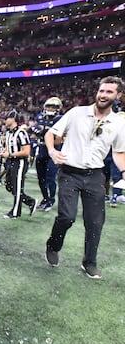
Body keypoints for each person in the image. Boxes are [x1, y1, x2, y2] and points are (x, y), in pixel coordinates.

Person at [44, 76, 125, 279]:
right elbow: (51, 134)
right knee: (67, 217)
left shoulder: (118, 123)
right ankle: (53, 245)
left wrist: (124, 172)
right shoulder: (77, 112)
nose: (103, 95)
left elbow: (118, 152)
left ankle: (89, 262)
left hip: (96, 176)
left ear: (119, 96)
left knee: (95, 222)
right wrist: (52, 151)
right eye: (101, 91)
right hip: (69, 172)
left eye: (109, 92)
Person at [1, 110, 38, 219]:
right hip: (11, 162)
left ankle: (15, 212)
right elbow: (8, 147)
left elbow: (26, 151)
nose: (4, 120)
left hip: (20, 162)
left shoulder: (21, 132)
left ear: (13, 119)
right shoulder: (8, 133)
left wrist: (10, 154)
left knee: (17, 188)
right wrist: (4, 153)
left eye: (6, 118)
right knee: (9, 186)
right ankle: (30, 202)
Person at [32, 97, 63, 211]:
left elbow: (58, 139)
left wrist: (43, 133)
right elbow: (34, 130)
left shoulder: (60, 119)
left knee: (50, 178)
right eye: (49, 106)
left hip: (53, 151)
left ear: (58, 108)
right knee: (41, 178)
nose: (50, 109)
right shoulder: (40, 117)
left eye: (53, 107)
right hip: (41, 150)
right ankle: (45, 198)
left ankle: (51, 200)